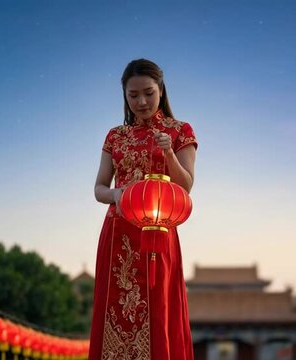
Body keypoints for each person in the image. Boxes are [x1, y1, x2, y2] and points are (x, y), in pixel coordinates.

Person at [89, 59, 197, 360]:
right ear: (124, 95)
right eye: (133, 95)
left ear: (160, 90)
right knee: (114, 307)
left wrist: (168, 154)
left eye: (148, 93)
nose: (141, 101)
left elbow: (185, 187)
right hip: (117, 233)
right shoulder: (115, 136)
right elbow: (99, 188)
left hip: (157, 232)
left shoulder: (180, 131)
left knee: (158, 308)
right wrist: (118, 194)